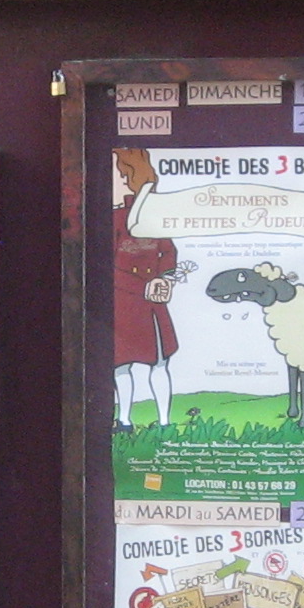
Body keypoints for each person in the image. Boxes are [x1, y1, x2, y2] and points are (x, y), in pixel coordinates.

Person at [113, 150, 180, 431]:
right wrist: (143, 286)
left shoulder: (152, 216)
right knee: (120, 365)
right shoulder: (113, 218)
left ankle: (164, 421)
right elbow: (106, 265)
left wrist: (165, 279)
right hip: (121, 303)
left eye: (120, 174)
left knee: (160, 362)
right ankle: (124, 420)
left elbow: (169, 252)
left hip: (152, 304)